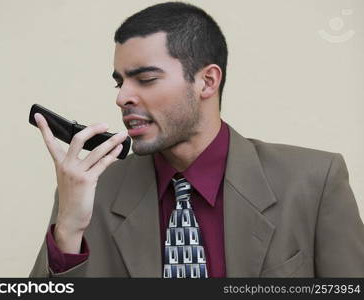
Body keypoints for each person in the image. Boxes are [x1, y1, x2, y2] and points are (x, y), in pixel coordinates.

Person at [29, 2, 364, 278]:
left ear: (207, 81)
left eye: (145, 79)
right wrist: (69, 229)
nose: (123, 98)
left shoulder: (314, 182)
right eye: (120, 83)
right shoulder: (89, 192)